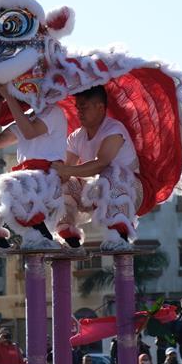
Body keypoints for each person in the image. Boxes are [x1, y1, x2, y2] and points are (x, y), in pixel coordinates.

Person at [53, 85, 143, 250]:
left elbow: (101, 163)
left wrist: (67, 170)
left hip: (129, 192)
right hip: (94, 193)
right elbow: (65, 170)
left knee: (110, 173)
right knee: (61, 183)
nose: (79, 112)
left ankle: (119, 235)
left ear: (100, 107)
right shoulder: (76, 136)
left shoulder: (114, 129)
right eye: (78, 107)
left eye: (84, 107)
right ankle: (67, 234)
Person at [0, 82, 70, 247]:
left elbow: (29, 133)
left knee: (11, 185)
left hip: (48, 177)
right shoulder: (28, 117)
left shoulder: (53, 111)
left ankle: (43, 234)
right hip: (27, 178)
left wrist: (9, 98)